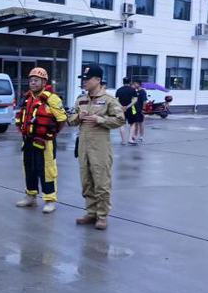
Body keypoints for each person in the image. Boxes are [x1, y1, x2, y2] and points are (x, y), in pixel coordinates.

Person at [68, 64, 125, 231]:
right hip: (84, 145)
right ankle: (91, 212)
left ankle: (102, 216)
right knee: (86, 181)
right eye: (83, 79)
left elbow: (120, 119)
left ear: (98, 80)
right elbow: (70, 120)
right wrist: (79, 116)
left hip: (100, 146)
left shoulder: (109, 100)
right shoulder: (81, 99)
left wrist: (101, 120)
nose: (84, 82)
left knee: (101, 181)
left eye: (87, 79)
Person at [14, 67, 67, 213]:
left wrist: (52, 134)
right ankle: (30, 196)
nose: (33, 83)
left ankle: (50, 200)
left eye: (36, 80)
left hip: (45, 142)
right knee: (29, 168)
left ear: (44, 82)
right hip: (29, 140)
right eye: (31, 80)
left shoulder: (52, 99)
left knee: (47, 170)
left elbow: (62, 119)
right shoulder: (27, 98)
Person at [115, 77, 137, 145]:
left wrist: (122, 107)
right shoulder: (133, 90)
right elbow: (135, 100)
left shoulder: (119, 90)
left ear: (123, 82)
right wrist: (128, 106)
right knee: (132, 123)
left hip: (121, 109)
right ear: (129, 82)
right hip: (132, 108)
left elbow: (116, 100)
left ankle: (123, 141)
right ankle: (130, 139)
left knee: (122, 124)